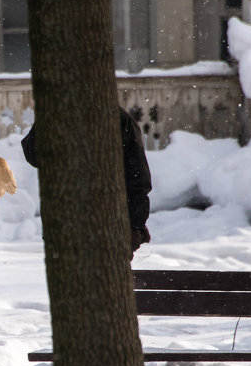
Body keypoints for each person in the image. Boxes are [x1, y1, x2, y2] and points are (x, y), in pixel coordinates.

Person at [21, 107, 153, 256]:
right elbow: (33, 152)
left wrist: (134, 226)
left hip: (103, 222)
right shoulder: (57, 112)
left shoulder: (118, 119)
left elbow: (137, 178)